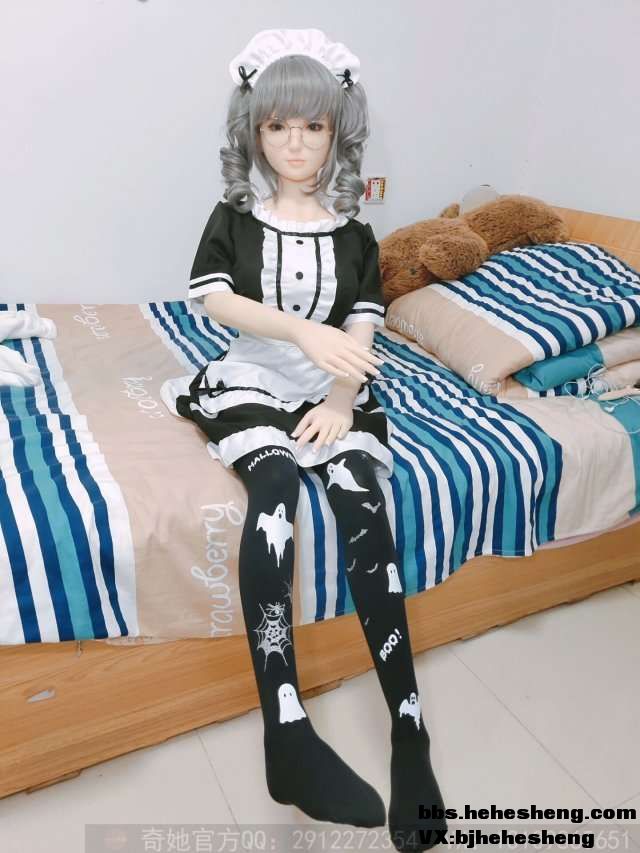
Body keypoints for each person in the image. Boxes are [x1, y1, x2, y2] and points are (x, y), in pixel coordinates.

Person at [161, 28, 447, 852]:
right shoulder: (235, 216)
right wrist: (300, 333)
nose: (294, 142)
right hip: (254, 376)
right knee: (277, 485)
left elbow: (363, 323)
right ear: (253, 131)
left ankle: (409, 730)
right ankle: (285, 728)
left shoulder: (355, 232)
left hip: (330, 389)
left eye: (313, 125)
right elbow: (214, 298)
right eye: (277, 125)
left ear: (337, 131)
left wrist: (342, 394)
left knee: (363, 504)